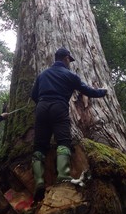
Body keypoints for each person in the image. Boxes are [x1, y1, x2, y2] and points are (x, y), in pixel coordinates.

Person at [31, 47, 107, 202]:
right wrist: (103, 92)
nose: (70, 63)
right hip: (59, 107)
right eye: (69, 60)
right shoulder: (70, 75)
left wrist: (43, 103)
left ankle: (39, 182)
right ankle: (63, 176)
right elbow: (88, 91)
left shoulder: (43, 74)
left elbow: (33, 95)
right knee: (63, 141)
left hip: (42, 107)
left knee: (39, 146)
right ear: (66, 58)